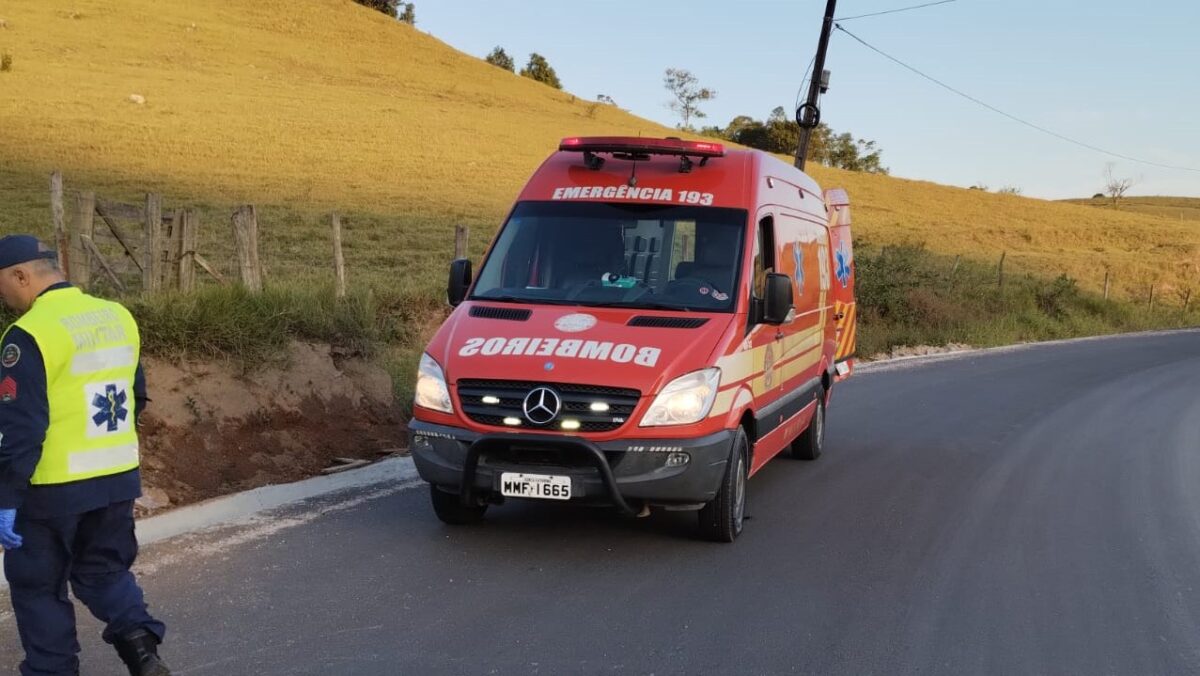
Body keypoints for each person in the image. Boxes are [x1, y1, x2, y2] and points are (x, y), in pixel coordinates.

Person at [0, 235, 169, 676]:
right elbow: (137, 396)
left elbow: (22, 429)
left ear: (22, 275)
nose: (2, 296)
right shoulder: (117, 316)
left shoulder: (29, 334)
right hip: (115, 479)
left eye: (2, 284)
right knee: (104, 573)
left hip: (50, 490)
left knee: (38, 588)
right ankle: (141, 649)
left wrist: (6, 497)